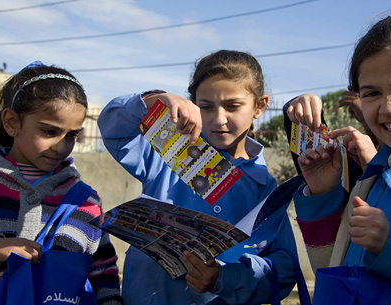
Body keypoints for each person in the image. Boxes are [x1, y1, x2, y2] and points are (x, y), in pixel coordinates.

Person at [98, 50, 300, 305]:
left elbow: (283, 269)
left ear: (260, 106)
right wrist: (152, 101)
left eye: (233, 106)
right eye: (206, 106)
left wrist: (224, 278)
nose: (219, 119)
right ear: (193, 103)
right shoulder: (168, 149)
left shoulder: (264, 187)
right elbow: (114, 128)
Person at [292, 11, 391, 302]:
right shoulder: (375, 174)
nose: (389, 107)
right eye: (371, 93)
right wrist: (323, 194)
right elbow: (337, 267)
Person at [0, 62, 123, 305]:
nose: (62, 146)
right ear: (12, 122)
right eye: (49, 132)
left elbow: (103, 275)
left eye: (72, 135)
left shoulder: (85, 202)